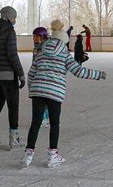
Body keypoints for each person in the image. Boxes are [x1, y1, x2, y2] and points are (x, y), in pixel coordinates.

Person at [22, 37, 106, 168]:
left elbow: (31, 74)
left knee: (36, 123)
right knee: (54, 124)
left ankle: (28, 154)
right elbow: (79, 71)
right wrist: (98, 74)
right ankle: (53, 155)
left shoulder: (40, 54)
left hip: (38, 90)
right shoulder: (65, 55)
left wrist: (32, 90)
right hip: (55, 91)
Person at [0, 6, 25, 150]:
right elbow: (12, 55)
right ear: (9, 17)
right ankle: (14, 139)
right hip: (8, 74)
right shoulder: (10, 31)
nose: (14, 21)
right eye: (14, 18)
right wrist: (20, 74)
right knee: (13, 106)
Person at [32, 27, 49, 128]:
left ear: (42, 37)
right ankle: (40, 117)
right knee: (38, 99)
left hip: (45, 76)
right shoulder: (36, 48)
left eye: (36, 37)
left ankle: (45, 117)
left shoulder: (46, 47)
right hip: (37, 76)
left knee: (45, 99)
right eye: (33, 37)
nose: (34, 39)